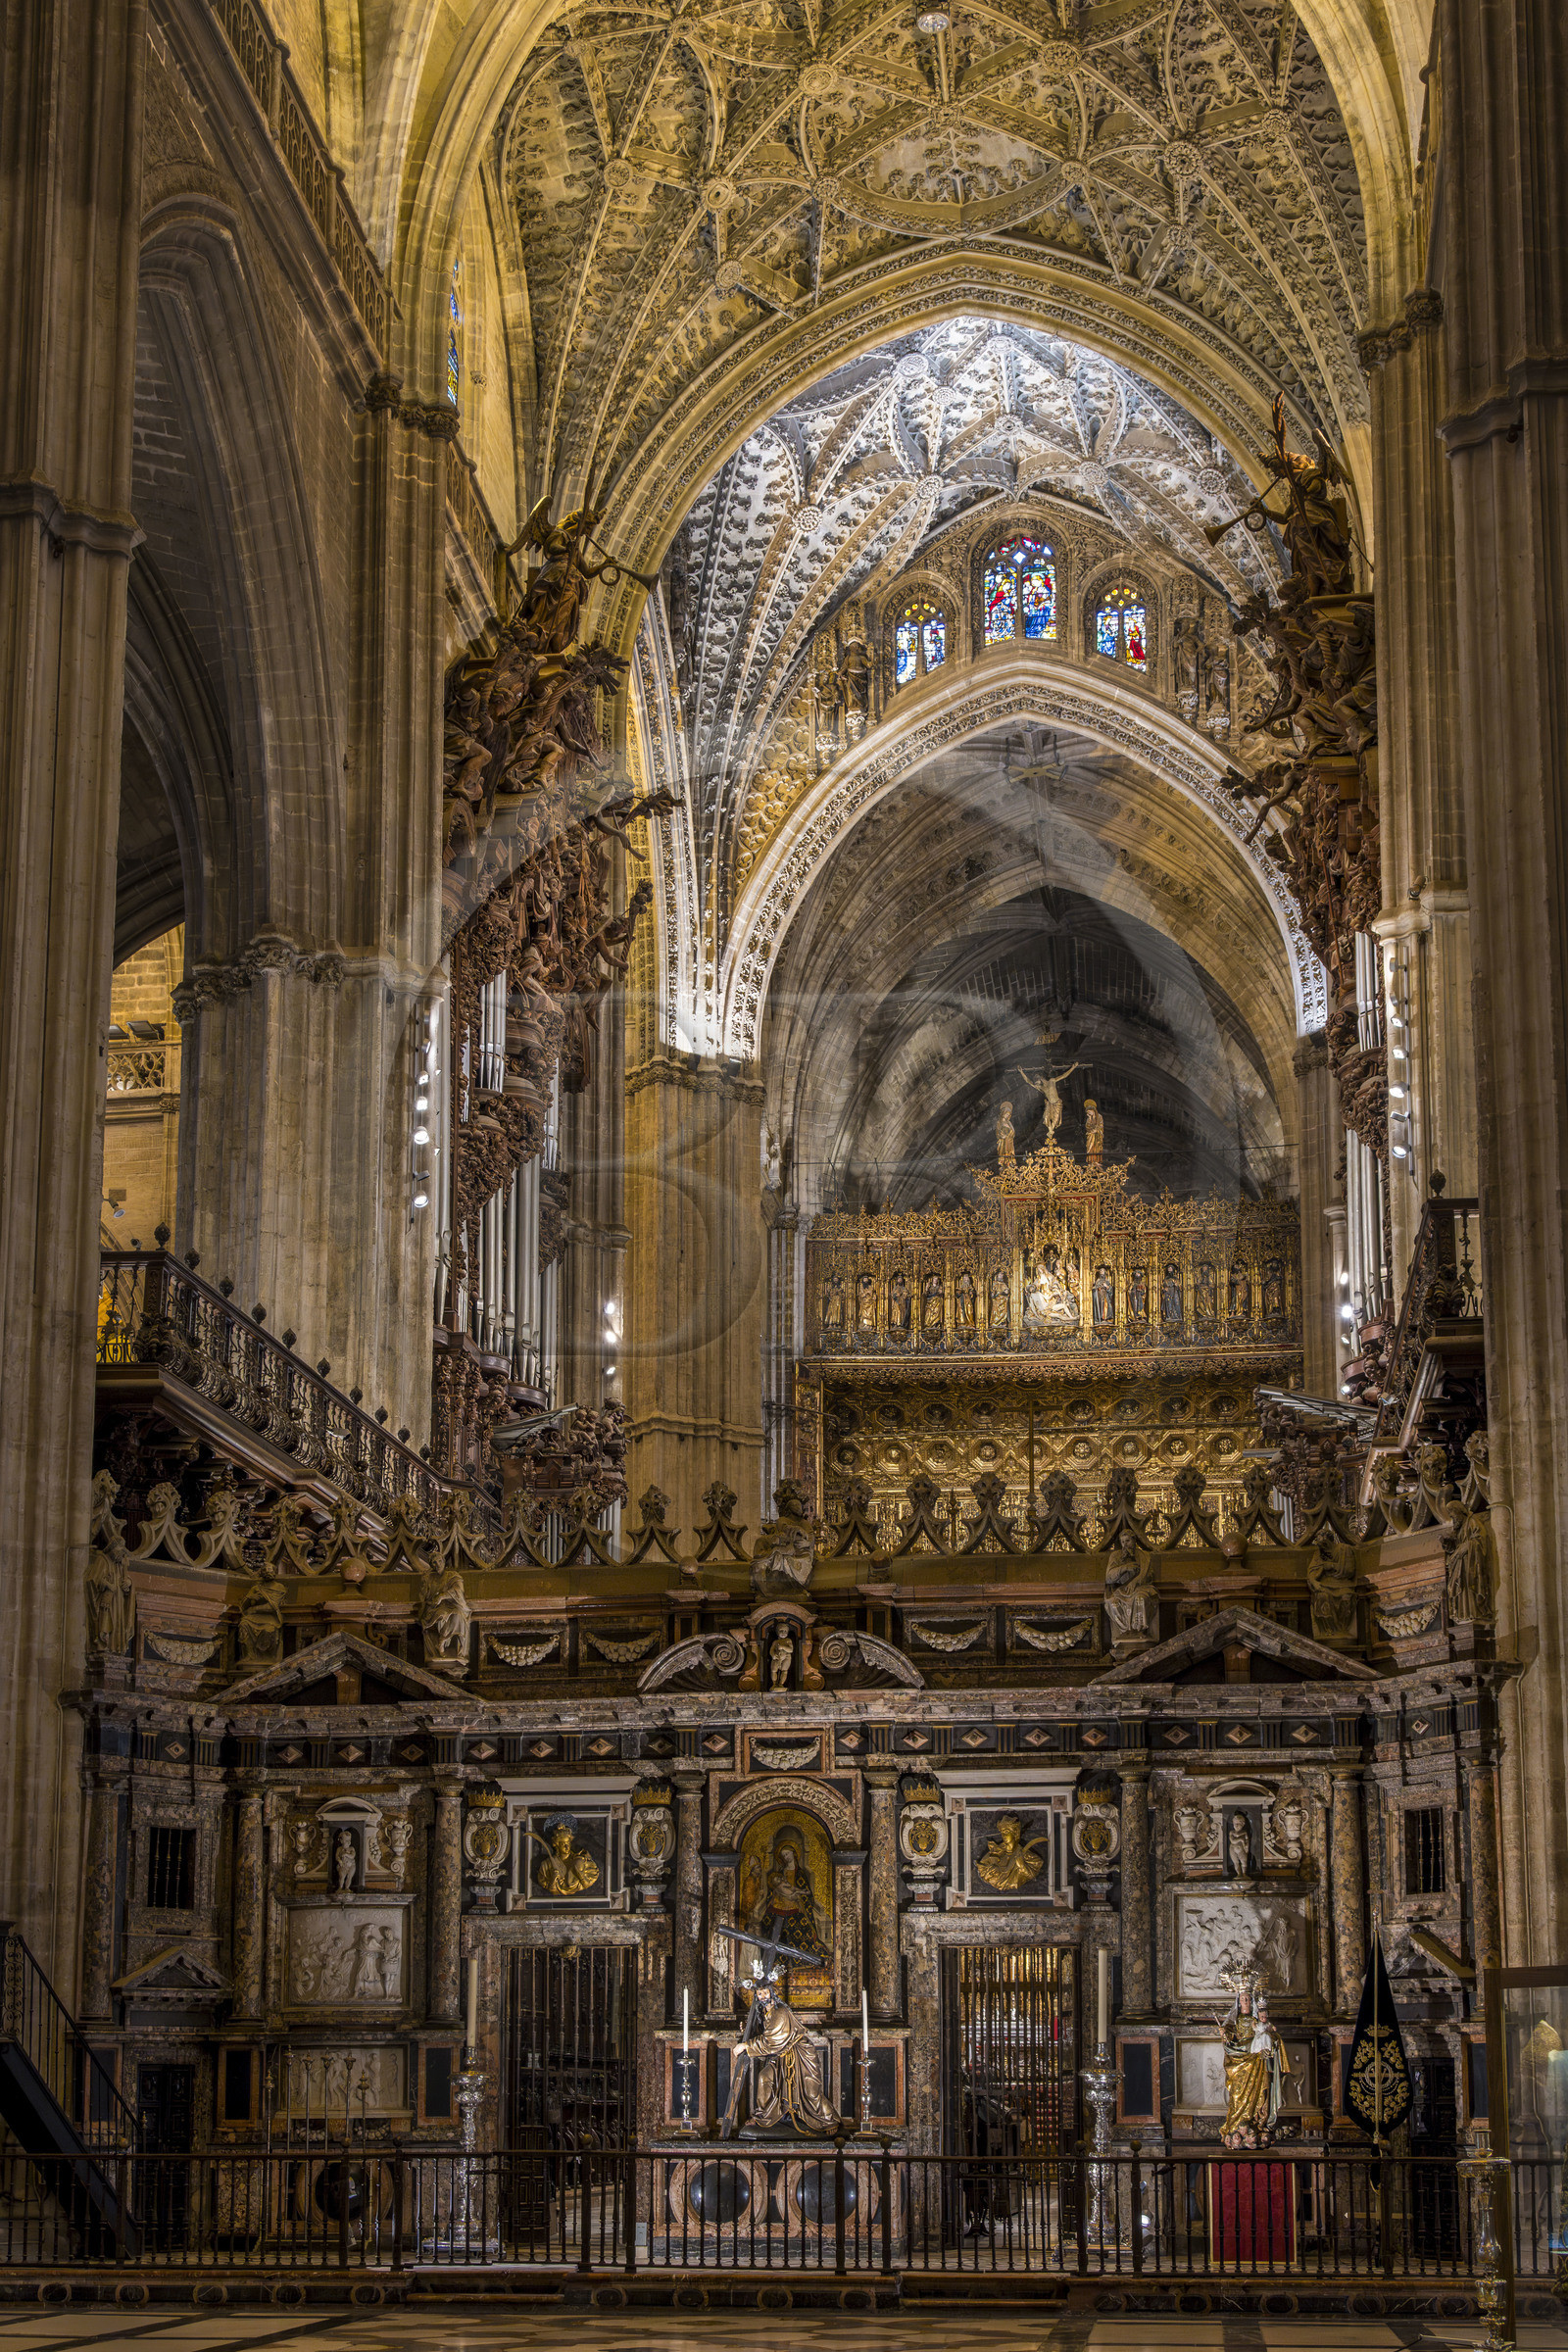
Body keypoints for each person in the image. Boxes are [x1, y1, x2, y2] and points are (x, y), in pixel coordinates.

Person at [1220, 1983, 1291, 2148]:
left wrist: (1269, 2041)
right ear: (1238, 2001)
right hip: (1238, 2059)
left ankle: (1256, 2123)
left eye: (1247, 1999)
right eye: (1242, 1999)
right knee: (1237, 2095)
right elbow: (1229, 2037)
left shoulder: (1257, 2020)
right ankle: (1236, 2125)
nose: (1245, 2001)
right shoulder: (1235, 2020)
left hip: (1256, 2059)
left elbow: (1270, 2036)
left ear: (1251, 2001)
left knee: (1259, 2092)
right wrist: (1225, 2034)